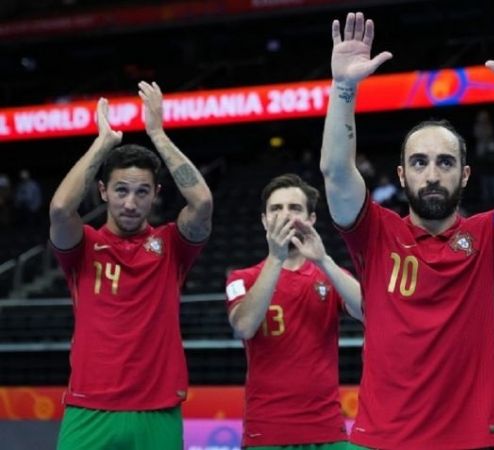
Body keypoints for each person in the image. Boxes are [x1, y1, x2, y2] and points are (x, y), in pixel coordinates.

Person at [320, 12, 494, 449]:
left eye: (445, 163)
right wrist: (343, 88)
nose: (432, 174)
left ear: (465, 175)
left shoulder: (493, 238)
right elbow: (335, 172)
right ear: (402, 174)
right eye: (419, 162)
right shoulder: (373, 232)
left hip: (471, 441)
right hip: (382, 441)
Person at [49, 82, 213, 450]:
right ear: (103, 192)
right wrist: (103, 143)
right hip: (88, 407)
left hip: (158, 408)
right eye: (121, 190)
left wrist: (158, 134)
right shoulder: (82, 246)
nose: (130, 202)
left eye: (142, 192)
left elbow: (202, 203)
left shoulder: (172, 245)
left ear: (155, 195)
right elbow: (60, 209)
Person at [225, 173, 363, 449]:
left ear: (311, 219)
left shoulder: (330, 275)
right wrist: (275, 259)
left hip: (327, 430)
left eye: (295, 208)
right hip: (267, 431)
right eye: (276, 209)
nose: (285, 215)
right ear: (264, 220)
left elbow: (369, 312)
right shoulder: (242, 278)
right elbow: (243, 326)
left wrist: (324, 260)